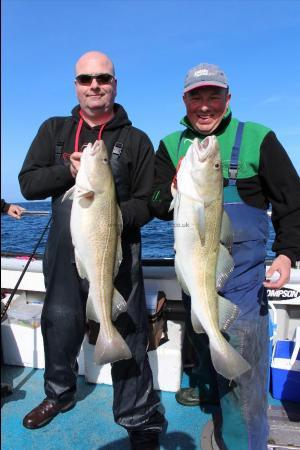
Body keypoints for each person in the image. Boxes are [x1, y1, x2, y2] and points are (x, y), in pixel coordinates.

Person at [18, 51, 166, 450]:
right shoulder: (53, 131)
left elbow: (149, 201)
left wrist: (110, 218)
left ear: (115, 84)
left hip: (115, 254)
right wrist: (66, 170)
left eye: (103, 78)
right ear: (76, 86)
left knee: (129, 332)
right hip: (64, 253)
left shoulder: (136, 140)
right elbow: (28, 184)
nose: (95, 85)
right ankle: (58, 393)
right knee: (60, 322)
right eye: (86, 79)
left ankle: (138, 414)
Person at [150, 63, 300, 449]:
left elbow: (292, 202)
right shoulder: (169, 144)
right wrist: (170, 189)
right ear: (184, 100)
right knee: (207, 353)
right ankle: (214, 404)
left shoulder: (259, 138)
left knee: (243, 378)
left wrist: (286, 255)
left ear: (227, 98)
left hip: (246, 283)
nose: (205, 105)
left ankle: (244, 443)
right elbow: (153, 203)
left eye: (213, 96)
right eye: (196, 97)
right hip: (196, 272)